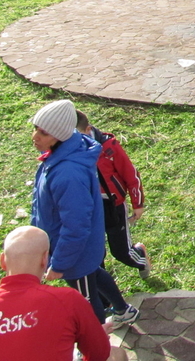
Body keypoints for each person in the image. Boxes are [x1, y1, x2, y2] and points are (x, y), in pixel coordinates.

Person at [29, 100, 140, 326]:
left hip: (73, 253)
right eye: (36, 128)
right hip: (76, 251)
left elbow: (76, 226)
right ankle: (123, 310)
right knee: (95, 275)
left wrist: (59, 263)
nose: (35, 136)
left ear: (59, 136)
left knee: (87, 304)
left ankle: (99, 346)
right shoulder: (59, 156)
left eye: (43, 132)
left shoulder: (68, 173)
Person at [0, 226, 126, 361]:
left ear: (2, 261)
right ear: (45, 259)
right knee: (117, 355)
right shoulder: (67, 300)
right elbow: (99, 354)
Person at [76, 111, 151, 279]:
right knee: (95, 255)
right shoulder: (71, 153)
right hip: (88, 208)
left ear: (88, 130)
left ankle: (141, 257)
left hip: (113, 205)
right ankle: (103, 295)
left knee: (122, 252)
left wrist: (137, 204)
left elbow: (131, 175)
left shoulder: (109, 146)